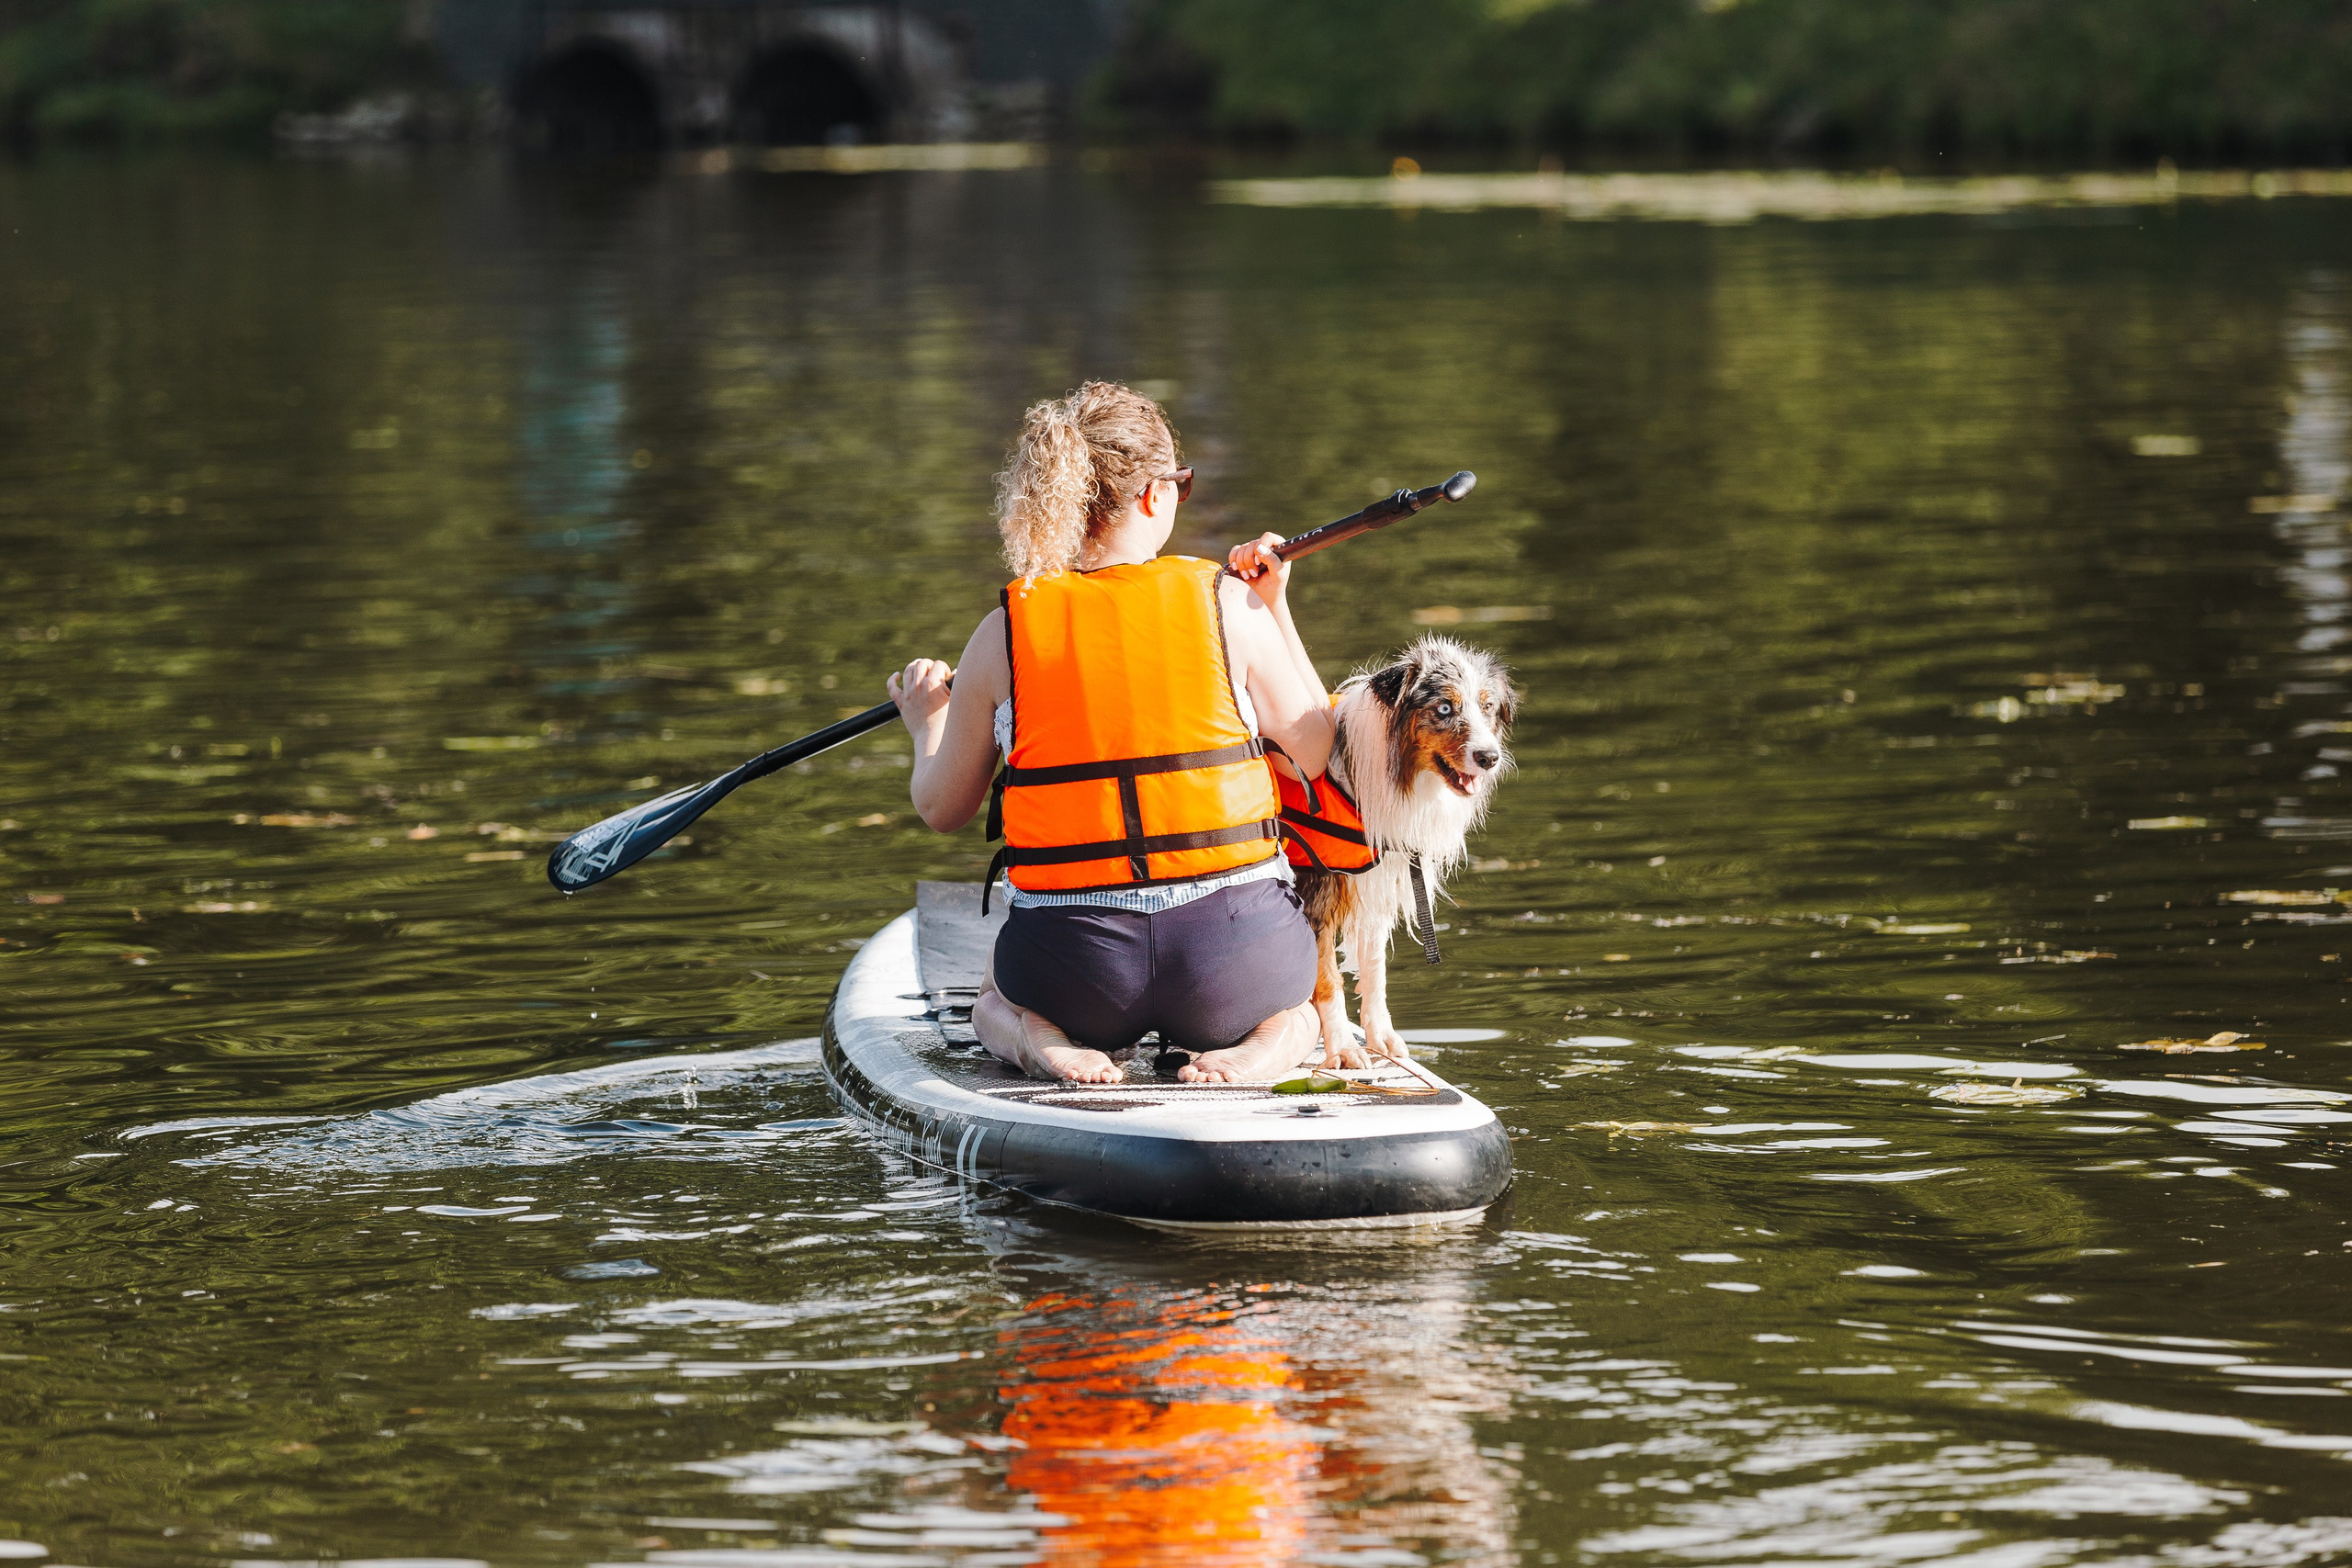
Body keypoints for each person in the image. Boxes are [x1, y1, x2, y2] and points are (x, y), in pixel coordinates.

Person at [888, 381, 1337, 1085]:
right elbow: (1318, 748)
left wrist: (927, 720)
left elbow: (942, 807)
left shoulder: (1004, 630)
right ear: (1156, 494)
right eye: (1182, 486)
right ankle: (1265, 1047)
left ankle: (1039, 1038)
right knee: (1301, 1007)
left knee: (989, 1001)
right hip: (1233, 962)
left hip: (1076, 972)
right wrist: (1275, 606)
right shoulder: (1228, 601)